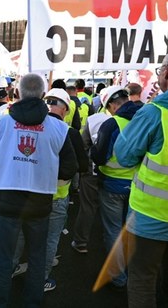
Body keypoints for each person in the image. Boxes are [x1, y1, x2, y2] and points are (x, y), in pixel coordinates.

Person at [0, 73, 77, 307]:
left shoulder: (1, 122)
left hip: (7, 196)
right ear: (43, 95)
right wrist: (43, 168)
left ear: (18, 93)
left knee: (3, 259)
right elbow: (70, 167)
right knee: (36, 257)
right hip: (40, 199)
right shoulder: (58, 128)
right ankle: (32, 302)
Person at [114, 46, 168, 307]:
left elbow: (123, 155)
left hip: (150, 218)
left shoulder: (154, 111)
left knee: (143, 279)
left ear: (167, 72)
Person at [90, 85, 141, 288]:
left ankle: (119, 277)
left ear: (111, 105)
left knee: (112, 230)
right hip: (138, 185)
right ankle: (136, 274)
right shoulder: (144, 119)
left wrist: (94, 150)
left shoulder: (111, 124)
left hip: (111, 185)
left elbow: (100, 157)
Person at [40, 88, 88, 292]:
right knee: (51, 238)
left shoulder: (30, 126)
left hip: (30, 193)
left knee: (23, 234)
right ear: (66, 109)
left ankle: (14, 266)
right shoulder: (69, 132)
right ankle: (42, 279)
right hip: (57, 196)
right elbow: (82, 166)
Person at [71, 88, 113, 254]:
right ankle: (111, 243)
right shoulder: (135, 119)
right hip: (121, 176)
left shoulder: (94, 119)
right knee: (113, 211)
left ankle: (81, 241)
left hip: (94, 170)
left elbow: (83, 145)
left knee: (88, 207)